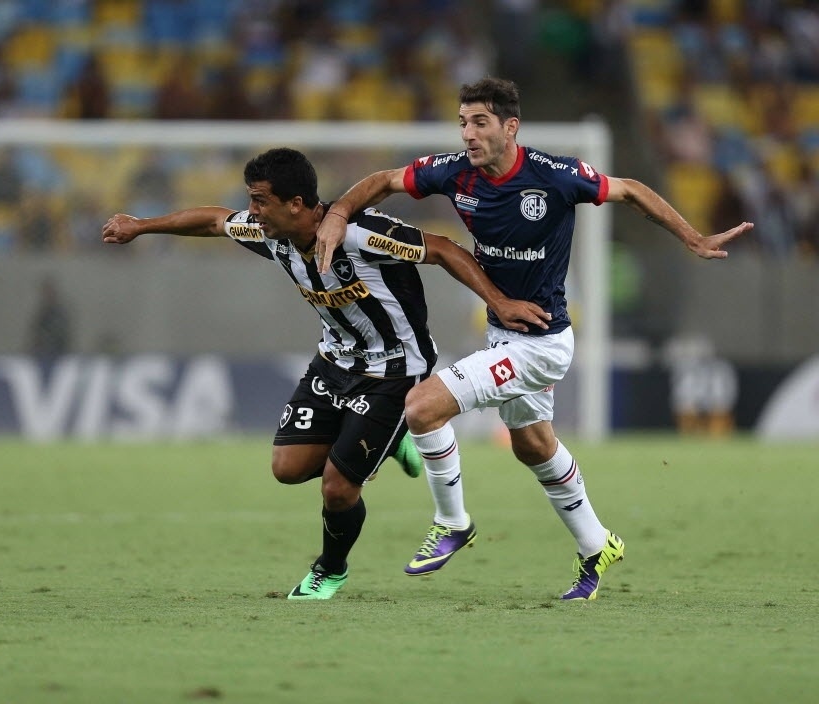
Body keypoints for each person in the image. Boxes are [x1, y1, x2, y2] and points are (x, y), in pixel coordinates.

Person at [315, 77, 753, 600]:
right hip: (505, 335)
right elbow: (385, 181)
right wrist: (338, 214)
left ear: (510, 127)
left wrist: (694, 238)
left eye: (479, 122)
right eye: (462, 122)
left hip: (542, 345)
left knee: (422, 407)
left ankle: (452, 522)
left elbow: (631, 189)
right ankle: (597, 544)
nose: (468, 134)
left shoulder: (556, 176)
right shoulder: (454, 173)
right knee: (533, 445)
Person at [102, 147, 548, 600]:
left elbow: (441, 249)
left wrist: (498, 302)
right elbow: (214, 221)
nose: (252, 212)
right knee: (287, 469)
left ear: (295, 203)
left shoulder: (361, 234)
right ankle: (393, 441)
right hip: (334, 363)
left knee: (338, 488)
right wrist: (141, 226)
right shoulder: (272, 234)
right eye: (251, 200)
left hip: (396, 372)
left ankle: (329, 570)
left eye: (260, 201)